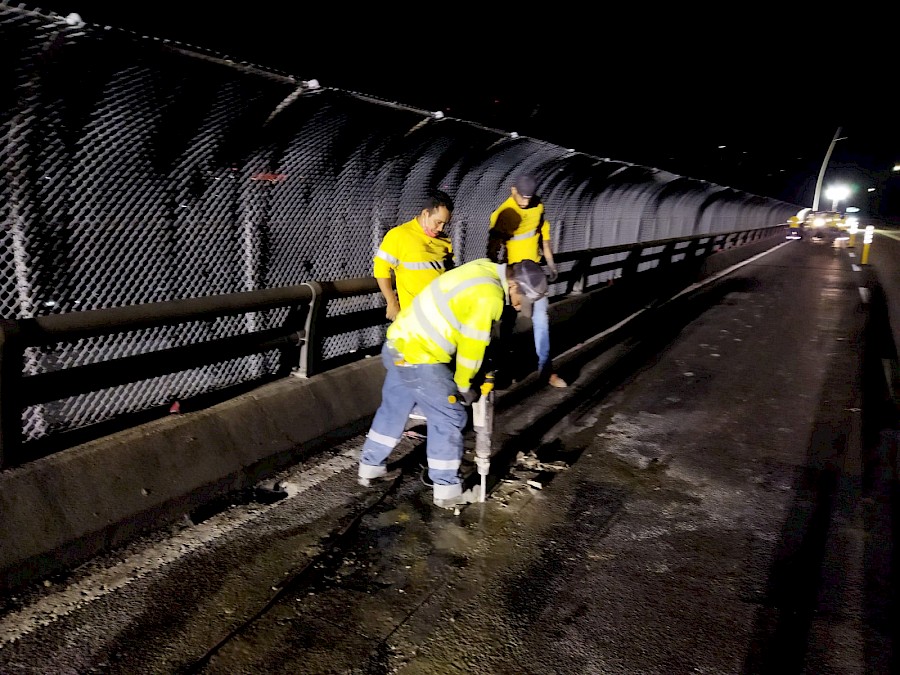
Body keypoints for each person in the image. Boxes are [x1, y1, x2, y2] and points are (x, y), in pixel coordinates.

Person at [357, 258, 550, 509]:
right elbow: (472, 347)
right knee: (449, 416)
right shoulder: (489, 296)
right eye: (520, 298)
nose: (517, 305)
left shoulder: (483, 267)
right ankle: (447, 491)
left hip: (398, 344)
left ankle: (370, 467)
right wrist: (463, 386)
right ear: (513, 284)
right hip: (421, 356)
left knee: (394, 408)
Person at [487, 174, 567, 388]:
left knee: (541, 320)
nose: (525, 202)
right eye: (522, 197)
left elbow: (544, 236)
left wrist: (550, 264)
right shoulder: (504, 214)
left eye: (528, 198)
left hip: (533, 275)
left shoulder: (538, 207)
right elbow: (493, 249)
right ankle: (503, 370)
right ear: (513, 190)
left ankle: (546, 370)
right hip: (513, 277)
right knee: (507, 323)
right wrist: (499, 276)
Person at [374, 189, 455, 322]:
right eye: (438, 222)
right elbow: (380, 268)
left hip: (441, 314)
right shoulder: (399, 235)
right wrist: (391, 302)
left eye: (444, 224)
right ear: (425, 214)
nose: (441, 228)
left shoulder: (445, 241)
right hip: (413, 316)